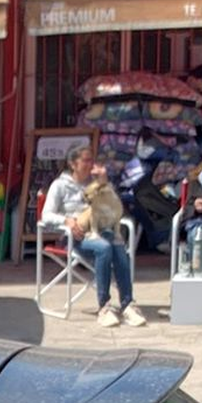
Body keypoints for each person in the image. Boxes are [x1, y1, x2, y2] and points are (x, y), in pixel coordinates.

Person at [43, 140, 148, 327]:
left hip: (101, 229)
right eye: (85, 160)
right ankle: (104, 306)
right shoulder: (59, 185)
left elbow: (113, 204)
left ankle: (127, 304)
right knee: (104, 248)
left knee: (118, 246)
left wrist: (104, 182)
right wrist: (66, 220)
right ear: (73, 163)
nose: (90, 164)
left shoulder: (95, 183)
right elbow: (46, 215)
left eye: (92, 160)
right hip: (76, 236)